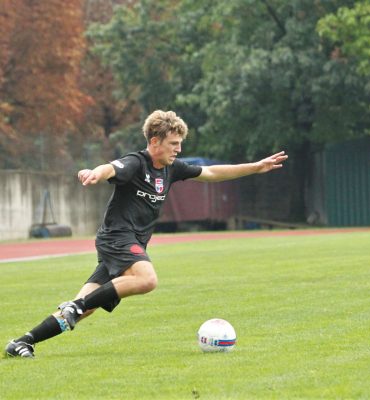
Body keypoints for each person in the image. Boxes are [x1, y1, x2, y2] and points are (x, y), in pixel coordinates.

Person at [5, 110, 288, 358]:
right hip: (117, 237)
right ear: (154, 141)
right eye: (173, 144)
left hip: (128, 243)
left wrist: (256, 167)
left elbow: (211, 173)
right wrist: (95, 171)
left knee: (86, 308)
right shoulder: (136, 163)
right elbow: (111, 168)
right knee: (146, 279)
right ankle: (75, 305)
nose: (178, 149)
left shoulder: (171, 169)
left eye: (180, 144)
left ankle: (22, 342)